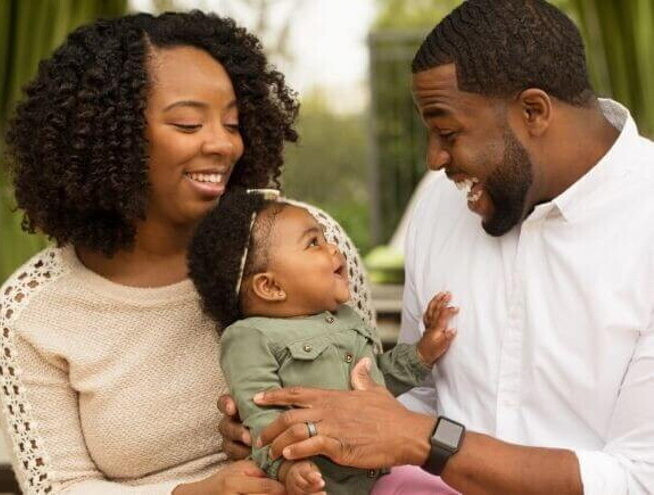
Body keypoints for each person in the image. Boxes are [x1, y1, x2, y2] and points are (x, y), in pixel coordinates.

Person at [217, 1, 654, 494]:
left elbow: (641, 478)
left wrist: (429, 441)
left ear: (533, 111)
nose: (433, 159)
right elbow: (417, 398)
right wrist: (301, 431)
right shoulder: (439, 204)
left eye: (447, 132)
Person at [0, 10, 368, 495]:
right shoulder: (33, 312)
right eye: (189, 124)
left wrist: (283, 434)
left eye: (233, 122)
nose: (223, 144)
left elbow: (372, 388)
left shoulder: (304, 243)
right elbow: (58, 486)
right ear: (113, 136)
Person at [187, 188, 458, 495]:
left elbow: (375, 382)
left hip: (380, 475)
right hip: (319, 484)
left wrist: (423, 352)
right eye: (313, 243)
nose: (332, 248)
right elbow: (261, 418)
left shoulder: (346, 317)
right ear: (271, 286)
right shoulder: (250, 337)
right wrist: (288, 469)